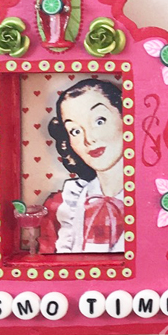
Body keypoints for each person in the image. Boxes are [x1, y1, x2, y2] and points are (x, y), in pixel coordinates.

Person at [38, 79, 125, 253]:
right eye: (75, 131)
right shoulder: (61, 204)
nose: (88, 139)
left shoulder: (151, 197)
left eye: (99, 121)